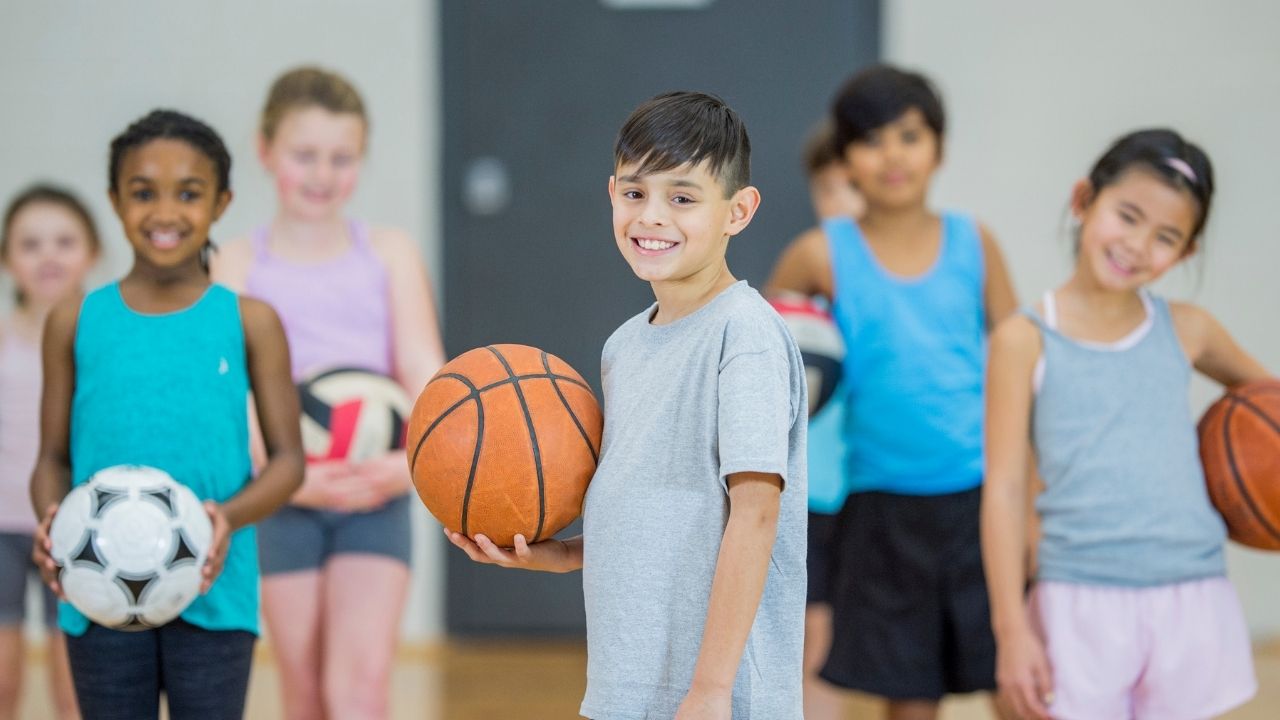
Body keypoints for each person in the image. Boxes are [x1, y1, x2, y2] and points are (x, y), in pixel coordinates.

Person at [447, 91, 808, 719]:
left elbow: (753, 516)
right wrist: (560, 554)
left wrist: (712, 690)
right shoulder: (624, 347)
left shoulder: (744, 335)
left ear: (738, 211)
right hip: (624, 689)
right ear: (611, 193)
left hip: (721, 696)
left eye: (683, 198)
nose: (652, 217)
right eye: (635, 193)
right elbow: (658, 515)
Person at [983, 128, 1267, 720]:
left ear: (1186, 253)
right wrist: (1011, 629)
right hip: (1078, 595)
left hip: (1190, 592)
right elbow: (1006, 491)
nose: (1138, 245)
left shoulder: (1190, 330)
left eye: (1166, 236)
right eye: (1128, 216)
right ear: (1084, 199)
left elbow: (1269, 403)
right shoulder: (1023, 339)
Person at [29, 109, 304, 719]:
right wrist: (53, 524)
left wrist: (222, 521)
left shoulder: (251, 322)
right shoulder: (74, 321)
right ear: (114, 200)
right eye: (143, 193)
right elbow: (51, 458)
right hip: (96, 590)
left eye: (188, 193)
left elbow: (289, 463)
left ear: (222, 202)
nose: (164, 213)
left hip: (215, 592)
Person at [767, 64, 1018, 720]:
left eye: (909, 135)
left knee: (1017, 684)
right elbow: (761, 366)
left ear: (938, 146)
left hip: (978, 499)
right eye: (872, 140)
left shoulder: (975, 242)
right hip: (880, 508)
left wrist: (1034, 497)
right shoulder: (818, 255)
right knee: (909, 698)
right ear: (846, 158)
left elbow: (1022, 368)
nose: (892, 155)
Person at [211, 65, 444, 719]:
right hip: (283, 497)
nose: (322, 174)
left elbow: (427, 370)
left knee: (360, 689)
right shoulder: (236, 264)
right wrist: (287, 477)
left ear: (362, 160)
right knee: (305, 691)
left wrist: (408, 466)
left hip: (377, 491)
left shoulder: (389, 253)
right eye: (304, 155)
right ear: (265, 152)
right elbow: (234, 395)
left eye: (341, 158)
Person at [775, 119, 863, 720]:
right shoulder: (807, 271)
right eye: (830, 189)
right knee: (808, 621)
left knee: (837, 630)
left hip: (866, 480)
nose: (844, 203)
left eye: (854, 187)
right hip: (809, 483)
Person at [0, 185, 98, 720]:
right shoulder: (3, 340)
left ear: (93, 251)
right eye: (31, 244)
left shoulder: (104, 340)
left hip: (81, 530)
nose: (48, 255)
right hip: (4, 531)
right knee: (4, 681)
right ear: (8, 258)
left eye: (64, 241)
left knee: (75, 689)